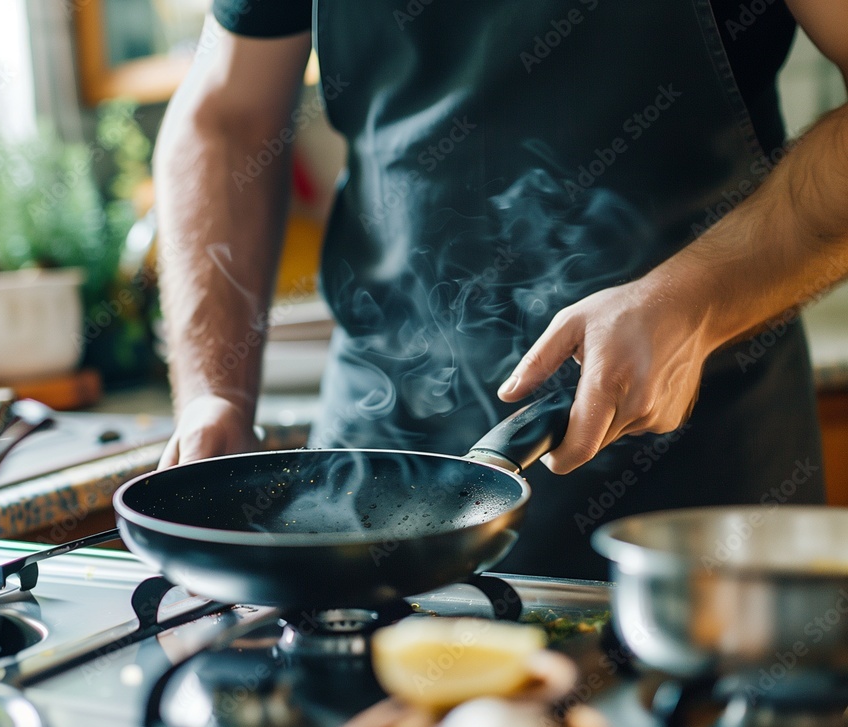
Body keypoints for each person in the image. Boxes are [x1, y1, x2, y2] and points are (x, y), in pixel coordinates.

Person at [153, 0, 848, 579]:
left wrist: (696, 302)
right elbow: (225, 119)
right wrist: (215, 392)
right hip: (373, 493)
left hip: (694, 506)